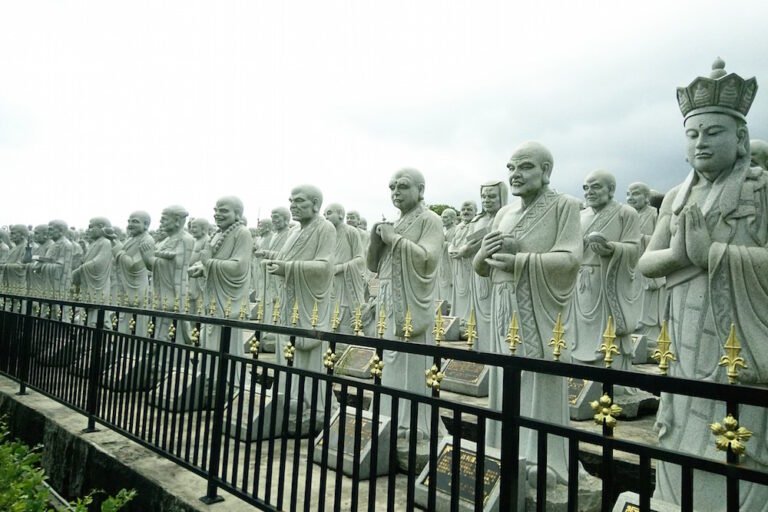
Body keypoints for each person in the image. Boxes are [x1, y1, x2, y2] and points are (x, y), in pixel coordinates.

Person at [638, 59, 768, 510]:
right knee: (681, 424)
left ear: (740, 138)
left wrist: (712, 253)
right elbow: (647, 263)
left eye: (713, 132)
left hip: (737, 335)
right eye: (692, 134)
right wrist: (679, 256)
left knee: (734, 430)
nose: (701, 142)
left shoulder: (760, 191)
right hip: (682, 333)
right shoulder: (677, 197)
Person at [473, 141, 582, 486]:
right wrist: (482, 253)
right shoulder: (504, 214)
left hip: (538, 307)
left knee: (538, 378)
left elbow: (570, 259)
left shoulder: (564, 206)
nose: (515, 174)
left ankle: (542, 457)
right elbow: (482, 267)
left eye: (525, 166)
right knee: (505, 377)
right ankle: (502, 449)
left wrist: (520, 262)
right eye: (511, 168)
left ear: (546, 170)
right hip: (502, 305)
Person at [367, 168, 443, 438]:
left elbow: (428, 259)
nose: (395, 192)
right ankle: (386, 414)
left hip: (411, 301)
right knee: (390, 359)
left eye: (402, 186)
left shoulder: (430, 219)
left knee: (412, 360)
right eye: (392, 187)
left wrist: (394, 240)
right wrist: (376, 241)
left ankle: (413, 424)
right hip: (388, 297)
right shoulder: (395, 222)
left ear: (420, 190)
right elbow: (373, 265)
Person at [266, 185, 335, 426]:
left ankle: (313, 404)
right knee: (289, 352)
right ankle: (290, 398)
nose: (293, 205)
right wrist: (274, 262)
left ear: (315, 204)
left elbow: (325, 266)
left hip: (310, 303)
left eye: (299, 201)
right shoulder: (295, 231)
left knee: (308, 354)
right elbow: (284, 259)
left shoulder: (325, 228)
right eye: (291, 201)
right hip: (290, 300)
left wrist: (288, 268)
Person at [570, 170, 641, 371]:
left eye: (595, 187)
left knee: (608, 334)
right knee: (578, 331)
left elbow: (634, 249)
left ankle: (612, 376)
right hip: (580, 282)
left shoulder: (626, 213)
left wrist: (612, 249)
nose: (589, 192)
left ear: (611, 189)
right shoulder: (579, 216)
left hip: (608, 281)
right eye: (586, 187)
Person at [189, 197, 252, 356]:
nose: (217, 214)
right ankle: (210, 369)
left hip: (228, 298)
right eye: (216, 210)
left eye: (223, 211)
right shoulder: (218, 234)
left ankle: (227, 370)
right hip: (213, 295)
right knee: (210, 337)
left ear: (237, 214)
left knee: (225, 341)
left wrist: (209, 263)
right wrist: (202, 268)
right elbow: (213, 261)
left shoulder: (242, 233)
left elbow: (238, 266)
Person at [141, 206, 193, 341]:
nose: (161, 222)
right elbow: (155, 265)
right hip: (159, 291)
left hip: (173, 292)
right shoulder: (165, 241)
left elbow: (177, 265)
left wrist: (150, 258)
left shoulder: (186, 239)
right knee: (157, 329)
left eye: (164, 219)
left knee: (170, 333)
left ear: (177, 220)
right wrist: (149, 259)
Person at [627, 182, 665, 342]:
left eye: (635, 194)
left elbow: (662, 241)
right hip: (630, 265)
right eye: (628, 194)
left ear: (646, 197)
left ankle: (650, 335)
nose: (630, 198)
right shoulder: (627, 215)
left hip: (648, 267)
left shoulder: (655, 214)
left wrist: (640, 239)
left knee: (648, 302)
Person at [324, 203, 365, 334]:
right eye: (324, 215)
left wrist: (340, 268)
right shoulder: (326, 234)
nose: (326, 217)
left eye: (329, 213)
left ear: (341, 214)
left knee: (345, 319)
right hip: (329, 283)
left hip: (346, 283)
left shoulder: (351, 232)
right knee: (329, 319)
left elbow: (360, 259)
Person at [72, 217, 114, 326]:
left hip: (98, 284)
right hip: (89, 283)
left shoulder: (105, 242)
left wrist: (81, 269)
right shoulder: (93, 244)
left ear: (101, 227)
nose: (88, 230)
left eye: (91, 227)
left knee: (96, 316)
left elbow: (99, 263)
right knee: (86, 315)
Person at [447, 201, 477, 322]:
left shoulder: (475, 225)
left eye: (469, 209)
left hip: (469, 262)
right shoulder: (458, 227)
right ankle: (457, 315)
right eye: (463, 209)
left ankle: (468, 318)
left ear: (475, 212)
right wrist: (451, 249)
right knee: (458, 289)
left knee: (468, 289)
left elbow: (474, 244)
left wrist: (463, 251)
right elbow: (453, 242)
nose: (465, 212)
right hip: (457, 262)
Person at [437, 208, 457, 303]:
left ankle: (450, 302)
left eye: (445, 217)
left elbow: (455, 246)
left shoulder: (456, 230)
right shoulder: (443, 230)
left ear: (453, 219)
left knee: (450, 282)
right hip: (442, 261)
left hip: (451, 262)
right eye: (442, 217)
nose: (443, 219)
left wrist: (443, 243)